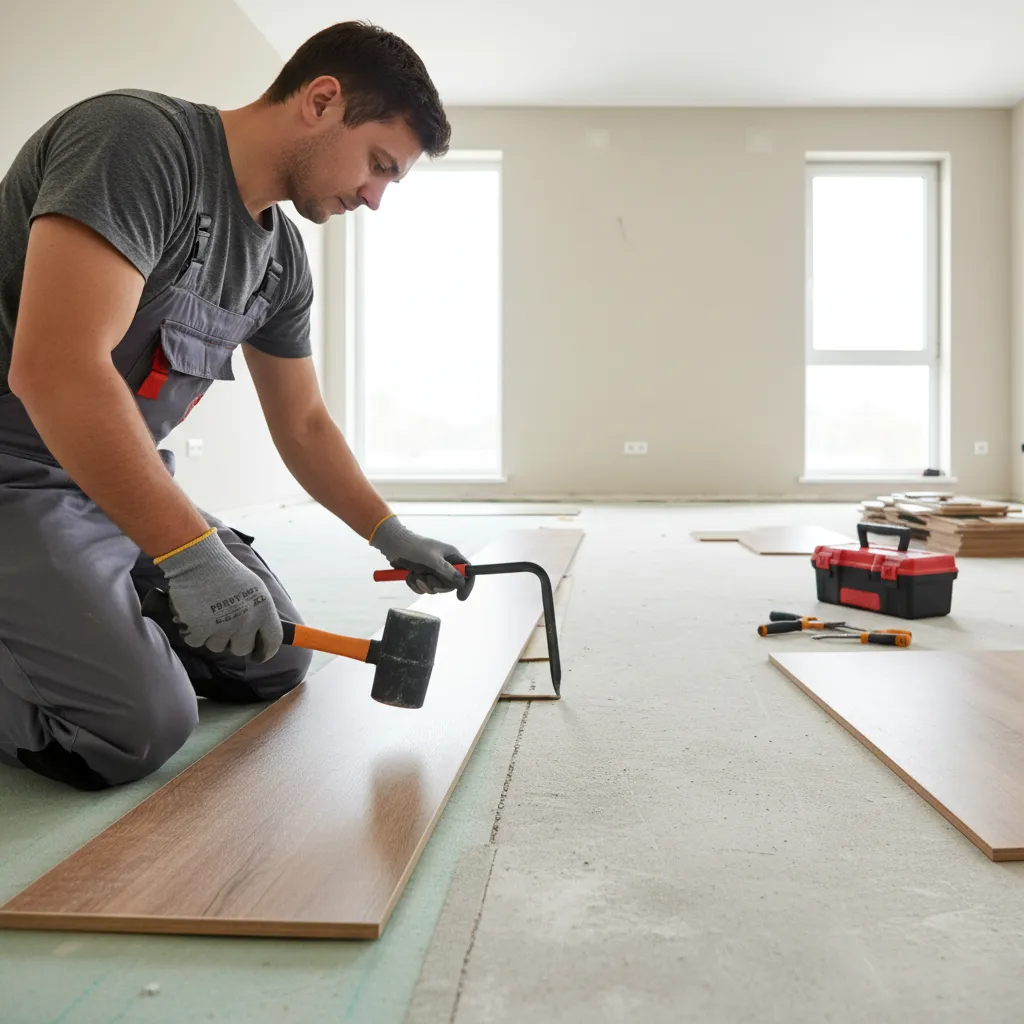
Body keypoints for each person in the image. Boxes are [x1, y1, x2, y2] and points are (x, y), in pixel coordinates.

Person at [0, 21, 474, 791]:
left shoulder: (279, 262)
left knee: (272, 659)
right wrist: (190, 554)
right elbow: (56, 370)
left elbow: (305, 423)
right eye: (379, 165)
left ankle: (77, 611)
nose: (375, 198)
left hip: (99, 486)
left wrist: (390, 532)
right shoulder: (139, 143)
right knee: (133, 727)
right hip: (13, 474)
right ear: (323, 100)